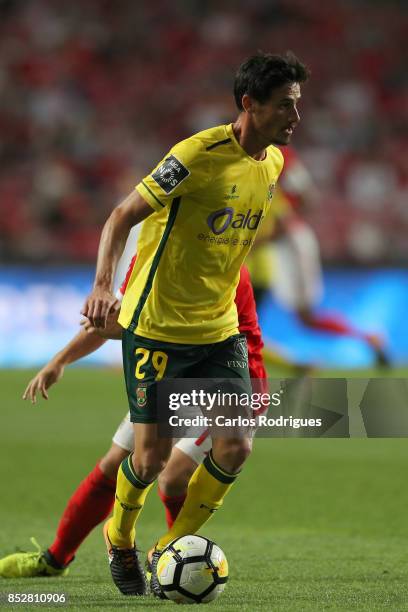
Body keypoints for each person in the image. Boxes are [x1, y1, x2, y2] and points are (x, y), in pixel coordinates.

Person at [81, 51, 309, 597]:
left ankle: (169, 548)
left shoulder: (272, 163)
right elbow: (120, 217)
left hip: (218, 329)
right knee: (150, 457)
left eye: (298, 106)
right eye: (285, 106)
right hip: (157, 327)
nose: (295, 117)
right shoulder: (194, 156)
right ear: (249, 103)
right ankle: (120, 534)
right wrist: (102, 286)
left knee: (236, 446)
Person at [0, 264, 267, 580]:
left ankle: (168, 560)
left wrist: (123, 324)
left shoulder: (219, 260)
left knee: (172, 477)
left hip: (226, 382)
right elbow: (122, 320)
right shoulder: (153, 253)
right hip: (171, 371)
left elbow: (138, 325)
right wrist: (60, 361)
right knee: (115, 464)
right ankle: (55, 559)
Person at [248, 145, 389, 366]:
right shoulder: (260, 160)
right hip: (279, 246)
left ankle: (367, 338)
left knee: (305, 319)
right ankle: (366, 338)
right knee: (294, 320)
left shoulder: (279, 157)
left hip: (289, 243)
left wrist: (253, 242)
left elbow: (305, 199)